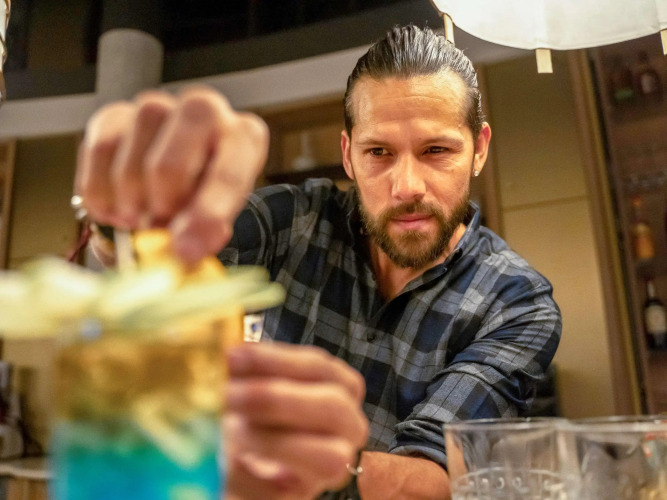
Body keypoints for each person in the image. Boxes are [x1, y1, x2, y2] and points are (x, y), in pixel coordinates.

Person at [76, 25, 561, 500]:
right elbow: (161, 260)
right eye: (379, 152)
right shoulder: (292, 221)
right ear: (348, 155)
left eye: (436, 150)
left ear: (479, 149)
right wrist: (126, 216)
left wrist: (298, 464)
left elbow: (436, 475)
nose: (407, 186)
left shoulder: (516, 303)